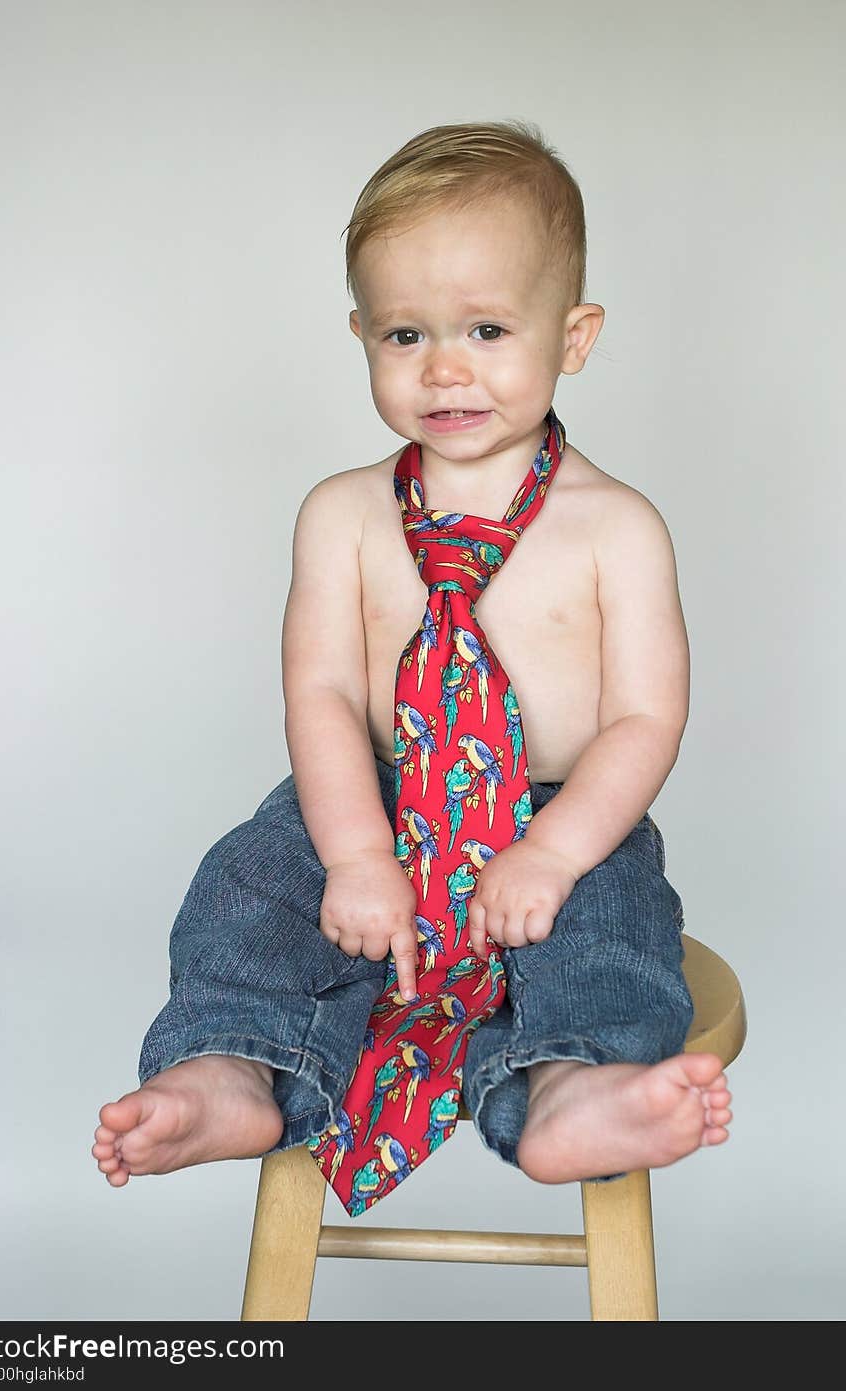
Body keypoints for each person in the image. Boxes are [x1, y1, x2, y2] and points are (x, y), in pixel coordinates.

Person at [92, 120, 732, 1201]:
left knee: (612, 931)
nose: (444, 367)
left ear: (572, 335)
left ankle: (571, 1088)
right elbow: (325, 692)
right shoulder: (341, 515)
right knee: (249, 885)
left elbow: (645, 720)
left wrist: (555, 853)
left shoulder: (615, 525)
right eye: (403, 335)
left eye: (486, 327)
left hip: (552, 813)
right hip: (375, 803)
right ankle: (232, 1061)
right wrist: (351, 852)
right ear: (359, 333)